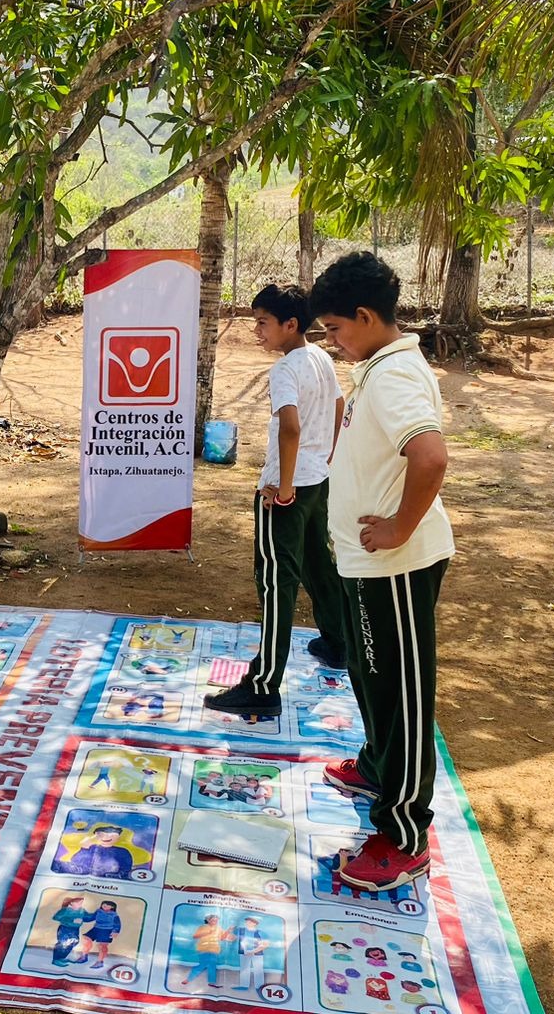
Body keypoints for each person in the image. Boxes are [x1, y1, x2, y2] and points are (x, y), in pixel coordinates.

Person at [310, 252, 454, 892]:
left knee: (401, 691)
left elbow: (429, 456)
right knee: (373, 677)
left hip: (394, 565)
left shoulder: (395, 376)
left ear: (367, 317)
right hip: (367, 564)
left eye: (337, 329)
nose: (334, 343)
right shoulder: (379, 365)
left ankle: (404, 832)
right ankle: (377, 764)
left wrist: (397, 527)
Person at [205, 284, 350, 720]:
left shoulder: (286, 369)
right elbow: (341, 404)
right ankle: (337, 642)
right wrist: (326, 457)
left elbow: (290, 427)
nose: (257, 331)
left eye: (263, 322)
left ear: (291, 325)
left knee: (275, 582)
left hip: (287, 490)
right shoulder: (322, 358)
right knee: (317, 563)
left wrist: (284, 487)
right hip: (316, 481)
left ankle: (263, 684)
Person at [58, 825, 135, 879]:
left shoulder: (122, 852)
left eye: (111, 835)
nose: (106, 837)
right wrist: (84, 848)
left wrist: (109, 877)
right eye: (101, 834)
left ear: (118, 838)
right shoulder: (91, 848)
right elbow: (76, 862)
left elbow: (126, 870)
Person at [184, 913, 225, 988]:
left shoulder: (219, 928)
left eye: (216, 920)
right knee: (203, 964)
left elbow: (222, 938)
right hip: (203, 949)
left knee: (212, 966)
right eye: (213, 919)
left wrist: (228, 931)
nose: (215, 921)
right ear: (208, 920)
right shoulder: (203, 927)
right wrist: (207, 932)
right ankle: (188, 979)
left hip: (214, 949)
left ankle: (211, 982)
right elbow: (195, 936)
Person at [235, 916, 270, 992]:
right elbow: (232, 937)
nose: (248, 922)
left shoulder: (261, 933)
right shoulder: (240, 930)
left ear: (255, 923)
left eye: (250, 921)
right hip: (243, 953)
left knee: (258, 970)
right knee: (244, 969)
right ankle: (243, 986)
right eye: (247, 921)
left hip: (257, 954)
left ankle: (260, 987)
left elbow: (266, 944)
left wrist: (252, 951)